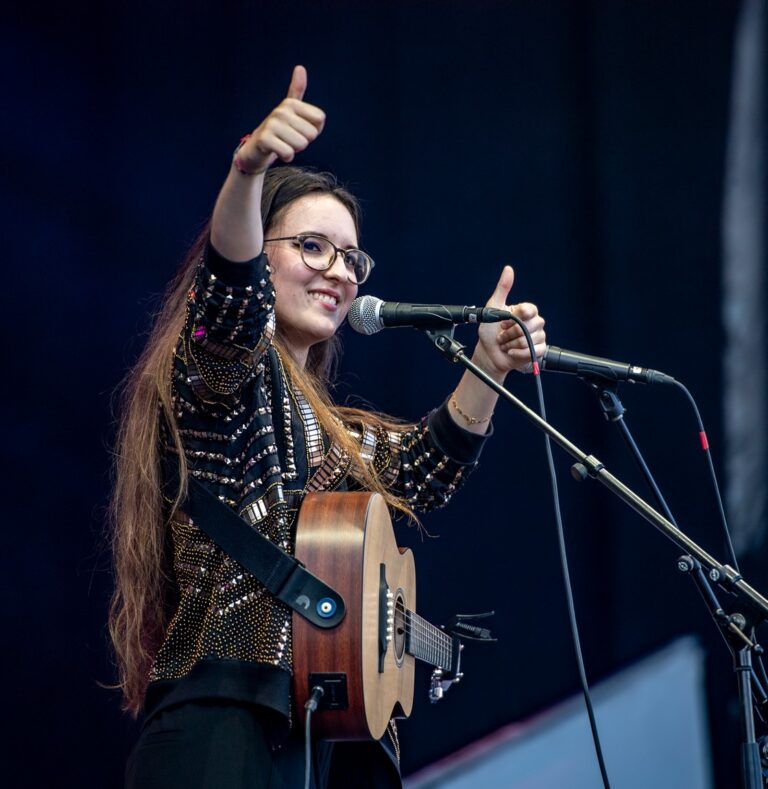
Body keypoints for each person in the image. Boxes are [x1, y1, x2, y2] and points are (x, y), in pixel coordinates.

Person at [109, 65, 547, 789]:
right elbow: (229, 303)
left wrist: (488, 368)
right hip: (226, 726)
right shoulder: (223, 377)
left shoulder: (330, 429)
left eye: (351, 256)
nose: (340, 271)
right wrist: (247, 174)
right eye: (312, 246)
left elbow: (422, 470)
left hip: (321, 736)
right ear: (263, 254)